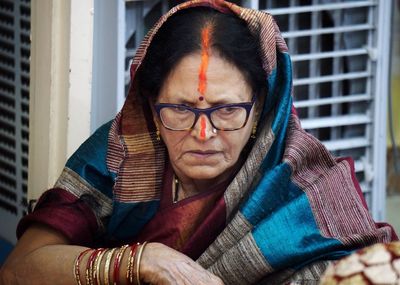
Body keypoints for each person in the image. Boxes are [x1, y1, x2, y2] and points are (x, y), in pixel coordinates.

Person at [1, 1, 397, 284]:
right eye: (180, 109)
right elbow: (19, 269)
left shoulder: (309, 187)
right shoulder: (120, 155)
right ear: (152, 107)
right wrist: (140, 262)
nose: (203, 133)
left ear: (260, 109)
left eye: (227, 110)